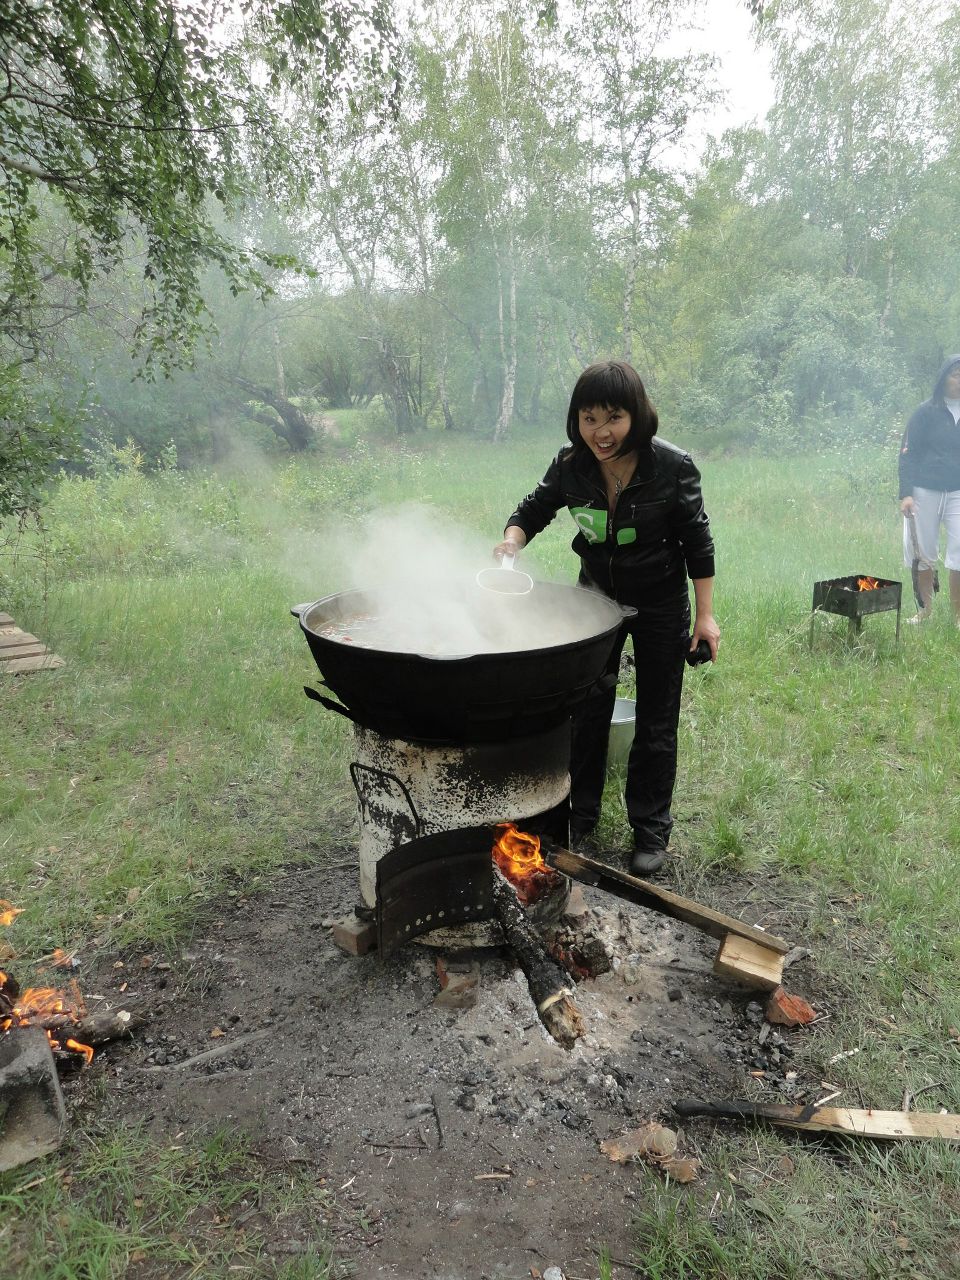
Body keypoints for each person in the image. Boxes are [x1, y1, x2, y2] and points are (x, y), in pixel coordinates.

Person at [494, 360, 719, 875]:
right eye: (588, 417)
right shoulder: (571, 465)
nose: (601, 432)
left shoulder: (672, 467)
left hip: (661, 602)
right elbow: (533, 510)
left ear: (635, 415)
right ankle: (580, 814)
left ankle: (650, 831)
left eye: (613, 417)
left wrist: (704, 618)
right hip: (594, 599)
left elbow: (698, 543)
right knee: (586, 707)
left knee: (657, 717)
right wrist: (510, 542)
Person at [898, 354, 960, 625]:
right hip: (925, 490)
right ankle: (925, 612)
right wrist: (906, 493)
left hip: (958, 491)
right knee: (923, 552)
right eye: (956, 374)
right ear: (943, 377)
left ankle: (959, 616)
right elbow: (907, 454)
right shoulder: (925, 412)